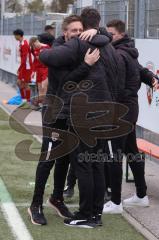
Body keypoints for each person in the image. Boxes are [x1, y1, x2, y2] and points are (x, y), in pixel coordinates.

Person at [39, 8, 128, 228]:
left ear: (84, 28)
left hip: (84, 113)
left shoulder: (82, 43)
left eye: (80, 29)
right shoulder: (109, 46)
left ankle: (87, 215)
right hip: (106, 111)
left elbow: (48, 56)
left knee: (84, 166)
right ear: (99, 24)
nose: (77, 33)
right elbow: (118, 81)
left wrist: (39, 48)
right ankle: (95, 214)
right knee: (96, 164)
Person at [28, 15, 100, 226]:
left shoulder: (80, 48)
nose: (79, 34)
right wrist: (86, 65)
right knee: (48, 158)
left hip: (71, 114)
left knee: (66, 158)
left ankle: (57, 198)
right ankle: (35, 205)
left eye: (81, 30)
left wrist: (97, 31)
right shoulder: (58, 53)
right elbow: (66, 82)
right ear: (65, 33)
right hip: (54, 113)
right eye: (74, 30)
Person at [103, 19, 157, 214]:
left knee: (114, 154)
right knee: (131, 151)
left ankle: (116, 202)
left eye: (110, 34)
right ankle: (141, 195)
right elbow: (144, 74)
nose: (107, 37)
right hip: (130, 110)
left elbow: (116, 87)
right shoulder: (128, 51)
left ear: (119, 35)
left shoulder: (118, 54)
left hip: (120, 111)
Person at [13, 29, 32, 105]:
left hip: (26, 67)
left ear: (18, 35)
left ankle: (27, 102)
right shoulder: (21, 43)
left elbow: (24, 59)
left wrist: (20, 68)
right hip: (24, 67)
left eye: (15, 35)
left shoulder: (24, 44)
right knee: (19, 82)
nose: (14, 37)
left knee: (25, 84)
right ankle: (23, 100)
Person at [29, 37, 50, 106]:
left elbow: (51, 58)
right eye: (33, 46)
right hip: (38, 70)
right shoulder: (33, 50)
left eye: (34, 45)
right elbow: (35, 61)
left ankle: (44, 103)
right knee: (40, 88)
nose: (34, 47)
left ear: (37, 41)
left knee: (44, 86)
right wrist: (33, 71)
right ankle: (41, 104)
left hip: (46, 69)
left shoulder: (46, 47)